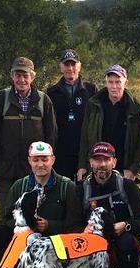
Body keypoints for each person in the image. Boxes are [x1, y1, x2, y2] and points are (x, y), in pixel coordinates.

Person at [0, 142, 82, 268]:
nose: (40, 164)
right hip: (23, 239)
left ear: (53, 160)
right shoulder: (19, 186)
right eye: (35, 160)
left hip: (54, 241)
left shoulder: (67, 186)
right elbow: (4, 219)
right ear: (29, 161)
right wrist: (26, 225)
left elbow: (75, 223)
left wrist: (49, 225)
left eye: (45, 159)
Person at [0, 57, 58, 215]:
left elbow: (51, 135)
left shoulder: (43, 100)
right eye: (18, 75)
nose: (21, 79)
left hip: (35, 170)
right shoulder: (1, 98)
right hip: (6, 169)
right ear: (12, 76)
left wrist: (47, 163)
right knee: (6, 214)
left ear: (32, 77)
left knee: (34, 214)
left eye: (25, 75)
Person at [78, 142, 140, 268]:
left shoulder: (128, 187)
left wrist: (126, 225)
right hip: (92, 243)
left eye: (107, 159)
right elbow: (71, 223)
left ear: (114, 162)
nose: (102, 164)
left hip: (121, 240)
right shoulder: (81, 191)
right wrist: (83, 230)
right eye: (97, 160)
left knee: (127, 242)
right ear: (91, 162)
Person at [76, 64, 140, 182]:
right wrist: (82, 166)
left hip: (124, 171)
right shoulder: (94, 105)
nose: (114, 86)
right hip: (98, 168)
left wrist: (134, 169)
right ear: (106, 83)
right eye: (110, 82)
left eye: (118, 82)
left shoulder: (135, 109)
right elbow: (84, 138)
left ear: (126, 83)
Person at [47, 49, 97, 178]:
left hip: (85, 151)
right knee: (64, 192)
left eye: (73, 64)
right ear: (61, 67)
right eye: (66, 64)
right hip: (61, 152)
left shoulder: (91, 90)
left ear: (79, 66)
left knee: (85, 192)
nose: (70, 68)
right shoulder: (52, 92)